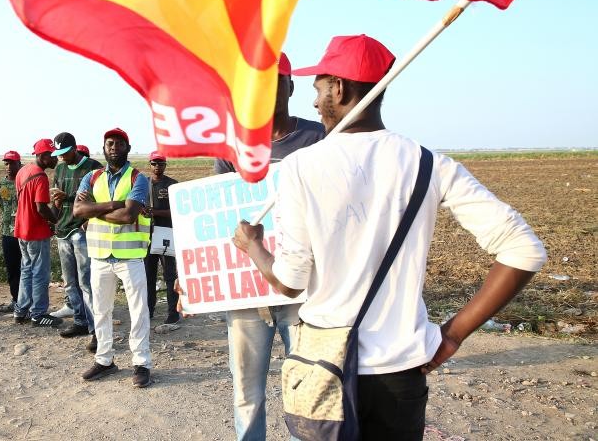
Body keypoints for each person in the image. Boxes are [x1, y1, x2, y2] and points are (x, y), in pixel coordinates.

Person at [231, 34, 547, 440]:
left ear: (340, 89)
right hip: (402, 373)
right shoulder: (429, 163)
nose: (313, 102)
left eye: (319, 89)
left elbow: (290, 282)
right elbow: (524, 249)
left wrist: (252, 245)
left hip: (325, 368)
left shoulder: (301, 168)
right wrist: (452, 334)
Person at [214, 52, 325, 440]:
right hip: (247, 293)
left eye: (274, 81)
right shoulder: (233, 149)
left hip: (304, 291)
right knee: (247, 392)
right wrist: (193, 282)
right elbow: (215, 219)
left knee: (308, 389)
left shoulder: (319, 137)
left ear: (291, 86)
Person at [73, 128, 153, 388]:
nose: (114, 147)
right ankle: (104, 359)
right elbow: (77, 210)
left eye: (119, 143)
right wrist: (112, 205)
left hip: (130, 258)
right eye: (109, 143)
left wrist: (93, 209)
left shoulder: (138, 179)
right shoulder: (91, 176)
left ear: (128, 148)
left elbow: (129, 215)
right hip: (99, 257)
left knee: (138, 311)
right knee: (101, 310)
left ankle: (141, 363)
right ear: (104, 148)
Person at [50, 132, 103, 351]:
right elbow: (56, 198)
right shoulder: (60, 168)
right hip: (63, 229)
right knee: (70, 282)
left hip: (81, 230)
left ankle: (96, 330)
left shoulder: (93, 167)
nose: (61, 157)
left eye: (64, 153)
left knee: (86, 282)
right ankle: (80, 321)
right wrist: (54, 217)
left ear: (75, 149)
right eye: (58, 153)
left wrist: (90, 220)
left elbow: (100, 198)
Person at [13, 138, 62, 327]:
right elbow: (41, 208)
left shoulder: (23, 171)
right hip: (36, 231)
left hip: (21, 229)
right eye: (52, 156)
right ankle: (39, 313)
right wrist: (56, 220)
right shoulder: (40, 176)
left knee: (26, 270)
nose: (56, 160)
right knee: (40, 273)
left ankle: (21, 310)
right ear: (43, 156)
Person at [143, 151, 180, 325]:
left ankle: (173, 312)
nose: (157, 167)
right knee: (148, 275)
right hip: (147, 236)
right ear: (149, 164)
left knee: (170, 274)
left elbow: (177, 212)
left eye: (160, 164)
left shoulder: (172, 185)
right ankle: (149, 310)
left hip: (166, 234)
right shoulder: (143, 184)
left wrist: (154, 212)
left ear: (165, 165)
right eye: (154, 163)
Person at [0, 150, 22, 313]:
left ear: (20, 164)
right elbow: (2, 205)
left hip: (23, 231)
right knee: (12, 268)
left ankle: (27, 301)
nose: (9, 166)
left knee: (25, 268)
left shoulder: (24, 182)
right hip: (7, 231)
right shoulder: (1, 185)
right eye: (6, 163)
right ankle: (15, 299)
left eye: (12, 163)